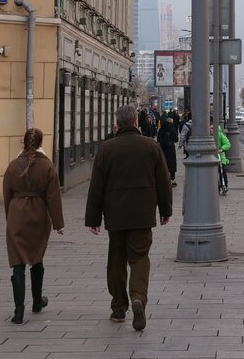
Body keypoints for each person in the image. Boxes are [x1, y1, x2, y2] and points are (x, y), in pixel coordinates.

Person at [84, 105, 173, 332]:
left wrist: (93, 218)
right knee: (139, 258)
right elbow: (164, 182)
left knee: (116, 259)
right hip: (142, 215)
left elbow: (96, 187)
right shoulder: (151, 147)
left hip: (115, 215)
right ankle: (138, 298)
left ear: (118, 123)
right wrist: (165, 210)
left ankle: (118, 307)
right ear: (136, 122)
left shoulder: (107, 149)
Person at [3, 128, 64, 325]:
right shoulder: (47, 166)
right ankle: (37, 302)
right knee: (37, 258)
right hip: (38, 215)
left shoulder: (13, 166)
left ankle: (18, 312)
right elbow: (53, 197)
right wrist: (58, 224)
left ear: (24, 142)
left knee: (18, 262)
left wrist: (10, 217)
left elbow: (7, 195)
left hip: (17, 214)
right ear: (40, 143)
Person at [156, 109, 179, 188]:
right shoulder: (172, 129)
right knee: (172, 164)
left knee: (163, 163)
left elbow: (158, 139)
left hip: (162, 149)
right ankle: (172, 180)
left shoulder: (161, 129)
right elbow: (176, 139)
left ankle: (163, 180)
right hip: (170, 149)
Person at [213, 117, 231, 196]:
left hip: (221, 156)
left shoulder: (219, 135)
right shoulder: (207, 136)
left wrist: (221, 149)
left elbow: (227, 144)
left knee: (222, 171)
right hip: (211, 157)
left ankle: (224, 186)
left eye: (212, 128)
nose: (211, 130)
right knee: (213, 173)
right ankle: (215, 187)